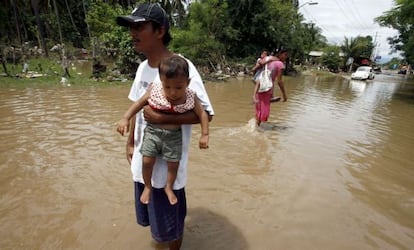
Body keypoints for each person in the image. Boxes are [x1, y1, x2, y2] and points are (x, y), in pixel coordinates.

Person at [116, 3, 214, 250]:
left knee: (172, 225)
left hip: (168, 165)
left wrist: (163, 120)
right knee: (155, 223)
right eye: (131, 27)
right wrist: (129, 144)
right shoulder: (142, 69)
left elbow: (206, 114)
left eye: (139, 26)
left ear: (159, 31)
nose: (133, 33)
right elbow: (138, 110)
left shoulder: (182, 67)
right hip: (144, 158)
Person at [116, 55, 210, 206]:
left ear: (188, 83)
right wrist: (125, 118)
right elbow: (138, 103)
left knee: (173, 165)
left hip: (173, 137)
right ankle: (147, 186)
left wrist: (205, 134)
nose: (173, 92)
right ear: (161, 81)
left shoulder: (190, 96)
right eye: (167, 87)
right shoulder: (155, 90)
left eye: (178, 87)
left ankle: (169, 187)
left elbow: (203, 114)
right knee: (147, 162)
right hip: (152, 134)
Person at [252, 48, 288, 127]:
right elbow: (279, 81)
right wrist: (284, 95)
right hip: (267, 88)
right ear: (280, 54)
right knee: (264, 112)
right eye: (285, 55)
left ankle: (255, 127)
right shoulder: (280, 64)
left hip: (260, 86)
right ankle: (257, 131)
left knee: (259, 110)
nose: (286, 57)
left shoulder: (269, 61)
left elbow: (257, 69)